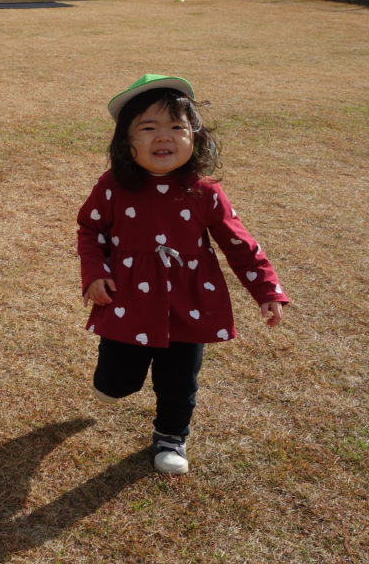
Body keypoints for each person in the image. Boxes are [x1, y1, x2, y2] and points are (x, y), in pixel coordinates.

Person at [77, 74, 289, 476]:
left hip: (191, 302)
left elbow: (239, 244)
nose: (165, 137)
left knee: (179, 382)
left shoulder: (205, 192)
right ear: (127, 141)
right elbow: (90, 230)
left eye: (177, 127)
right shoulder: (112, 187)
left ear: (195, 138)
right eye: (149, 127)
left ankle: (171, 437)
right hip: (128, 302)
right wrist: (94, 272)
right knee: (116, 382)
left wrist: (266, 289)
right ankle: (116, 381)